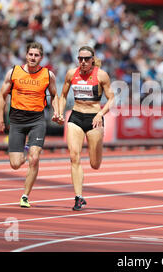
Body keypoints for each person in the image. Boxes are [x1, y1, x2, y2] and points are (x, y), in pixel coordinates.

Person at [0, 42, 62, 208]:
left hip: (37, 121)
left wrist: (57, 112)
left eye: (37, 55)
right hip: (17, 121)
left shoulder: (48, 75)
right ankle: (26, 149)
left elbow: (55, 95)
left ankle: (25, 196)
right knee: (15, 164)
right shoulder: (14, 72)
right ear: (26, 55)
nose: (33, 58)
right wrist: (0, 119)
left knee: (34, 158)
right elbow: (2, 96)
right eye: (31, 54)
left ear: (41, 57)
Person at [59, 46, 114, 211]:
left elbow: (111, 99)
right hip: (76, 116)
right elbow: (62, 96)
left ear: (92, 59)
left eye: (86, 59)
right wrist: (60, 112)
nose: (83, 62)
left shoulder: (101, 75)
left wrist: (101, 113)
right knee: (74, 157)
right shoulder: (71, 74)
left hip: (94, 119)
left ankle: (98, 145)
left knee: (95, 164)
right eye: (80, 59)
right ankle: (78, 197)